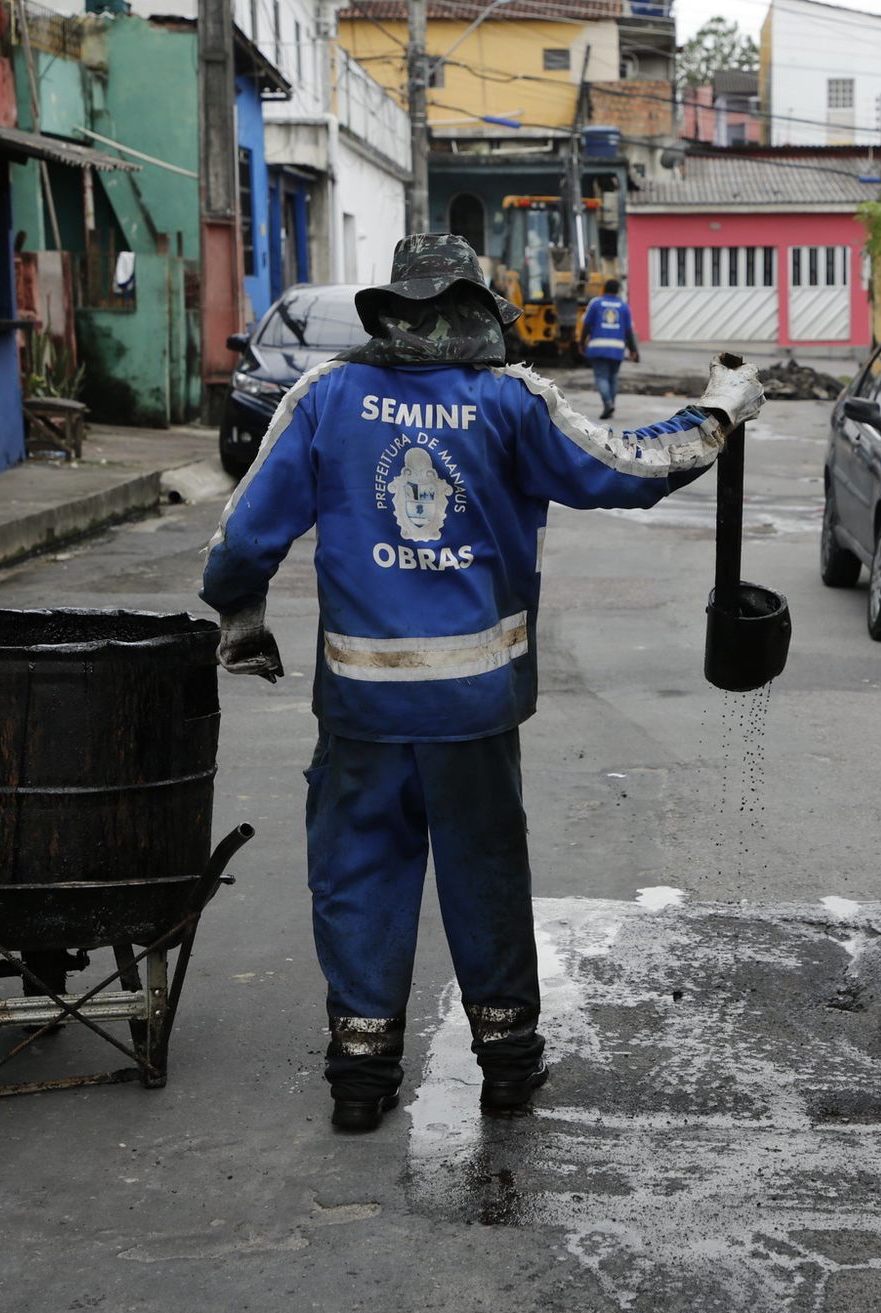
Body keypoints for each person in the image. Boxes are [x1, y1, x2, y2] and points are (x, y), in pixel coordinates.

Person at [199, 235, 765, 1134]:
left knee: (357, 872)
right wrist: (717, 416)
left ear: (395, 305)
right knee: (485, 871)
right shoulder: (510, 400)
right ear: (477, 309)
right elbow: (624, 466)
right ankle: (506, 1062)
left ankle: (360, 1074)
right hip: (474, 707)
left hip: (361, 706)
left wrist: (240, 614)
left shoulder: (328, 395)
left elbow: (242, 538)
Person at [578, 277, 638, 420]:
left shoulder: (596, 303)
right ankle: (611, 405)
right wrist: (633, 350)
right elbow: (629, 331)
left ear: (604, 289)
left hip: (598, 348)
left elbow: (586, 325)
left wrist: (581, 343)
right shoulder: (624, 306)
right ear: (618, 291)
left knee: (601, 377)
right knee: (613, 378)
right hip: (617, 349)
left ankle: (608, 403)